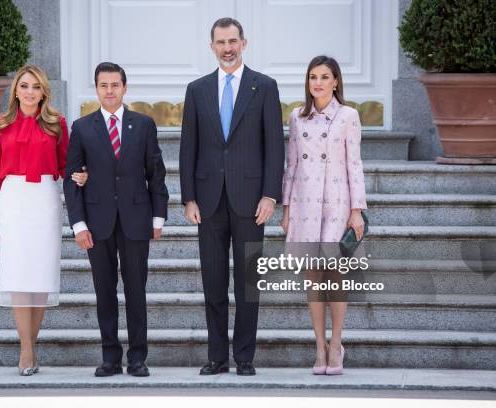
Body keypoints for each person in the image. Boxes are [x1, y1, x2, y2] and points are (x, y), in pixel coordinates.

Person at [179, 17, 285, 376]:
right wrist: (188, 198)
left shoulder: (264, 87)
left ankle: (244, 358)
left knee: (248, 284)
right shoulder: (197, 89)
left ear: (244, 43)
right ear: (212, 47)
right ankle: (217, 357)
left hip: (251, 201)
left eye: (233, 41)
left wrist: (271, 194)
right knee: (213, 283)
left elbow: (274, 146)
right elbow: (187, 147)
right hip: (208, 202)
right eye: (221, 42)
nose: (227, 48)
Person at [0, 64, 88, 376]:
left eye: (35, 87)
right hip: (12, 201)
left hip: (45, 200)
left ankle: (30, 344)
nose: (29, 92)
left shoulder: (57, 123)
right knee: (17, 275)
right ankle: (26, 350)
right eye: (23, 86)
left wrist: (80, 175)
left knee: (40, 277)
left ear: (43, 92)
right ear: (16, 91)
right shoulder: (0, 124)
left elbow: (67, 164)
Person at [63, 62, 169, 377]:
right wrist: (78, 224)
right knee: (104, 291)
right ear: (96, 89)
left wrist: (159, 217)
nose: (109, 91)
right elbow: (72, 178)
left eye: (115, 85)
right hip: (97, 223)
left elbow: (156, 174)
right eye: (103, 85)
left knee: (136, 290)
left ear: (124, 87)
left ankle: (138, 358)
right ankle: (110, 357)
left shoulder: (144, 124)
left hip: (137, 219)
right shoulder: (82, 127)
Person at [281, 55, 367, 375]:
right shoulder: (297, 117)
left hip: (337, 205)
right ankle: (319, 345)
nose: (317, 82)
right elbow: (292, 166)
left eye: (324, 76)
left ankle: (336, 344)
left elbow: (354, 164)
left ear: (336, 81)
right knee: (313, 278)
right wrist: (287, 210)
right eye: (312, 76)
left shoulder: (348, 116)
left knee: (335, 275)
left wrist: (356, 211)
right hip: (304, 206)